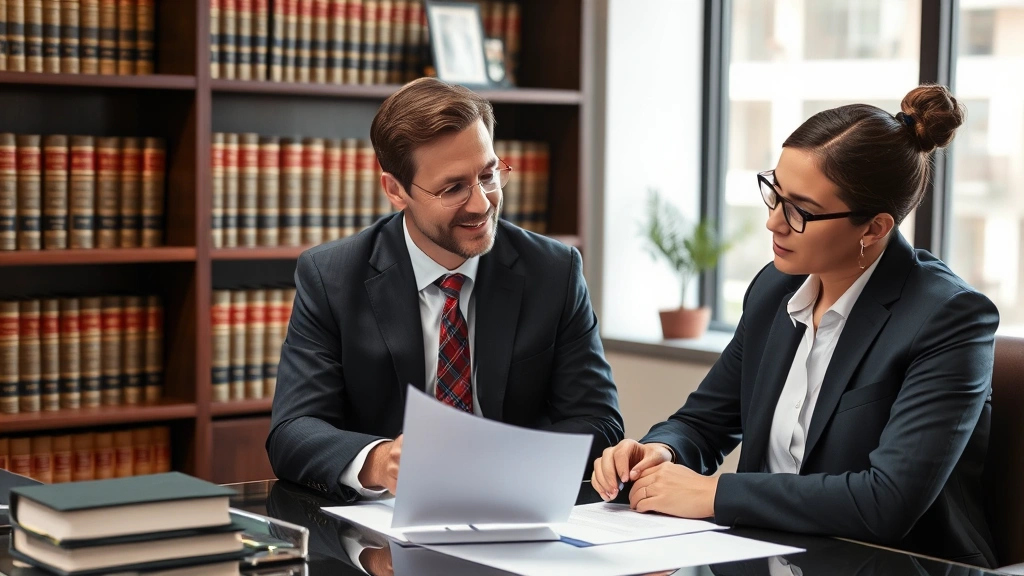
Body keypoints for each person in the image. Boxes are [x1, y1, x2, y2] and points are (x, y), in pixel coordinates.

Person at [591, 85, 1000, 568]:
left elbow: (886, 502)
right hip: (767, 557)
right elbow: (704, 422)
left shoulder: (950, 318)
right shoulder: (775, 289)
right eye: (774, 194)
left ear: (874, 228)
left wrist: (716, 495)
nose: (773, 223)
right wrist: (662, 451)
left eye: (800, 210)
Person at [267, 77, 624, 503]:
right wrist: (381, 461)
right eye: (453, 188)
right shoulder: (331, 276)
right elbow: (293, 430)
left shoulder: (553, 270)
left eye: (489, 175)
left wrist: (490, 460)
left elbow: (599, 422)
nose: (482, 203)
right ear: (396, 190)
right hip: (383, 535)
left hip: (516, 513)